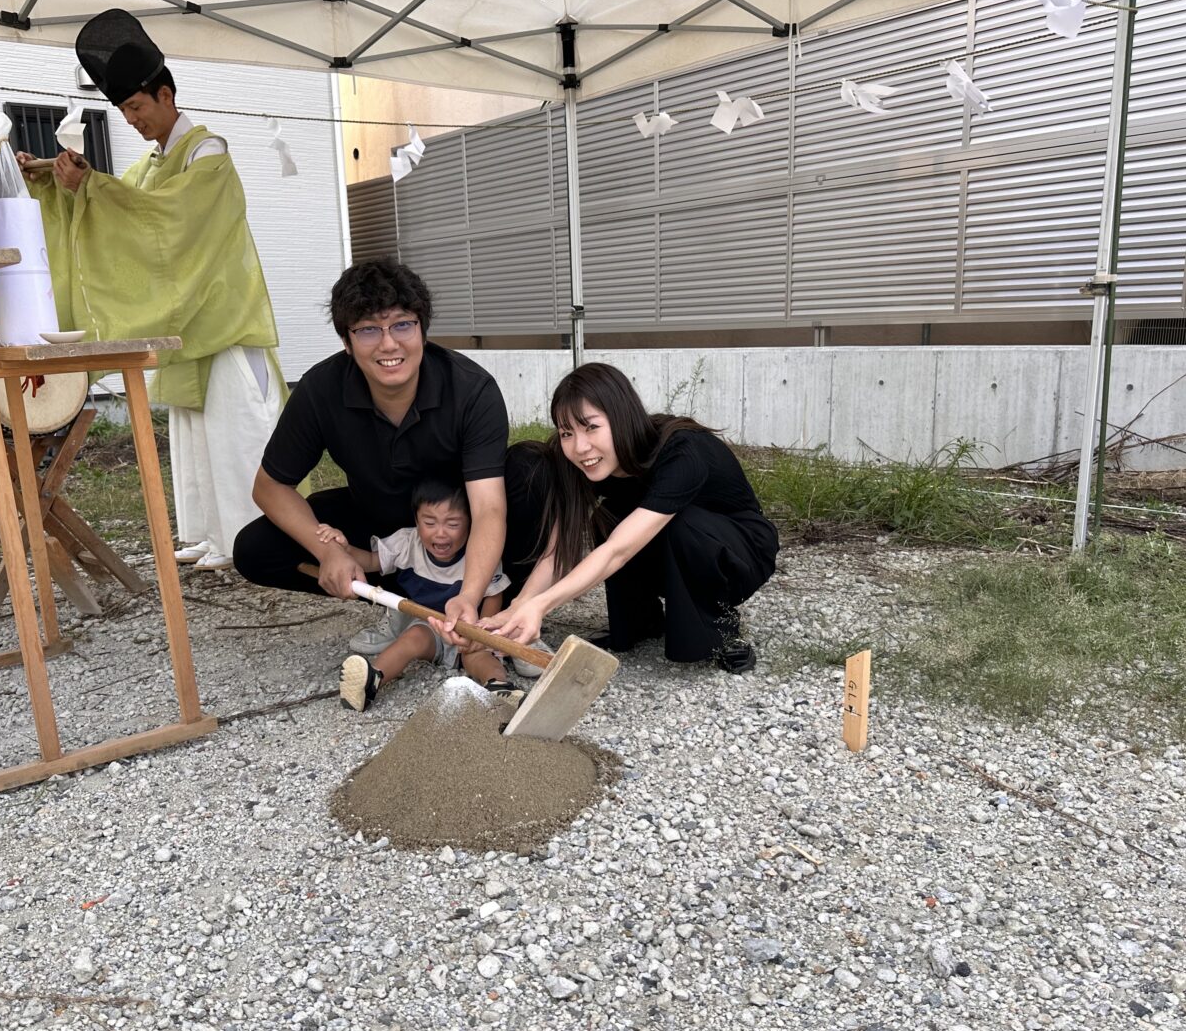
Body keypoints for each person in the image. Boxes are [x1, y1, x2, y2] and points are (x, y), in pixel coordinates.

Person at [20, 8, 283, 572]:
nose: (133, 120)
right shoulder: (151, 164)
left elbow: (168, 219)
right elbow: (121, 207)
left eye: (138, 107)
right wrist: (60, 182)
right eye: (124, 111)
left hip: (224, 316)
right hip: (189, 322)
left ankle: (255, 538)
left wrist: (93, 188)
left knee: (237, 433)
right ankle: (213, 534)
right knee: (195, 435)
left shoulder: (208, 153)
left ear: (166, 95)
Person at [234, 258, 513, 656]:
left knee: (528, 477)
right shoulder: (321, 389)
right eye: (368, 329)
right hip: (376, 519)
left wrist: (470, 593)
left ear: (422, 330)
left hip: (454, 531)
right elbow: (269, 486)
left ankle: (484, 606)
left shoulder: (471, 390)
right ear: (347, 343)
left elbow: (488, 508)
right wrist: (329, 551)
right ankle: (401, 602)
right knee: (256, 547)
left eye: (402, 324)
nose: (388, 344)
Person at [482, 363, 778, 673]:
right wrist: (521, 604)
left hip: (740, 550)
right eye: (567, 432)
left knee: (681, 524)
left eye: (591, 427)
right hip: (672, 545)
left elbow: (617, 550)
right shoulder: (580, 462)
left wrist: (541, 606)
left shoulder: (684, 450)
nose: (580, 447)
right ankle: (641, 622)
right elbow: (557, 550)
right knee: (610, 516)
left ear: (622, 417)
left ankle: (722, 631)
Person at [318, 479, 521, 711]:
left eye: (453, 524)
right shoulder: (407, 542)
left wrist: (482, 634)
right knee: (412, 637)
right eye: (429, 522)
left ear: (470, 523)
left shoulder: (481, 554)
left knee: (480, 658)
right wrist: (344, 549)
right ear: (416, 521)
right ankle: (372, 679)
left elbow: (494, 594)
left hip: (469, 630)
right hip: (431, 626)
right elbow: (371, 561)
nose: (441, 533)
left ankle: (500, 687)